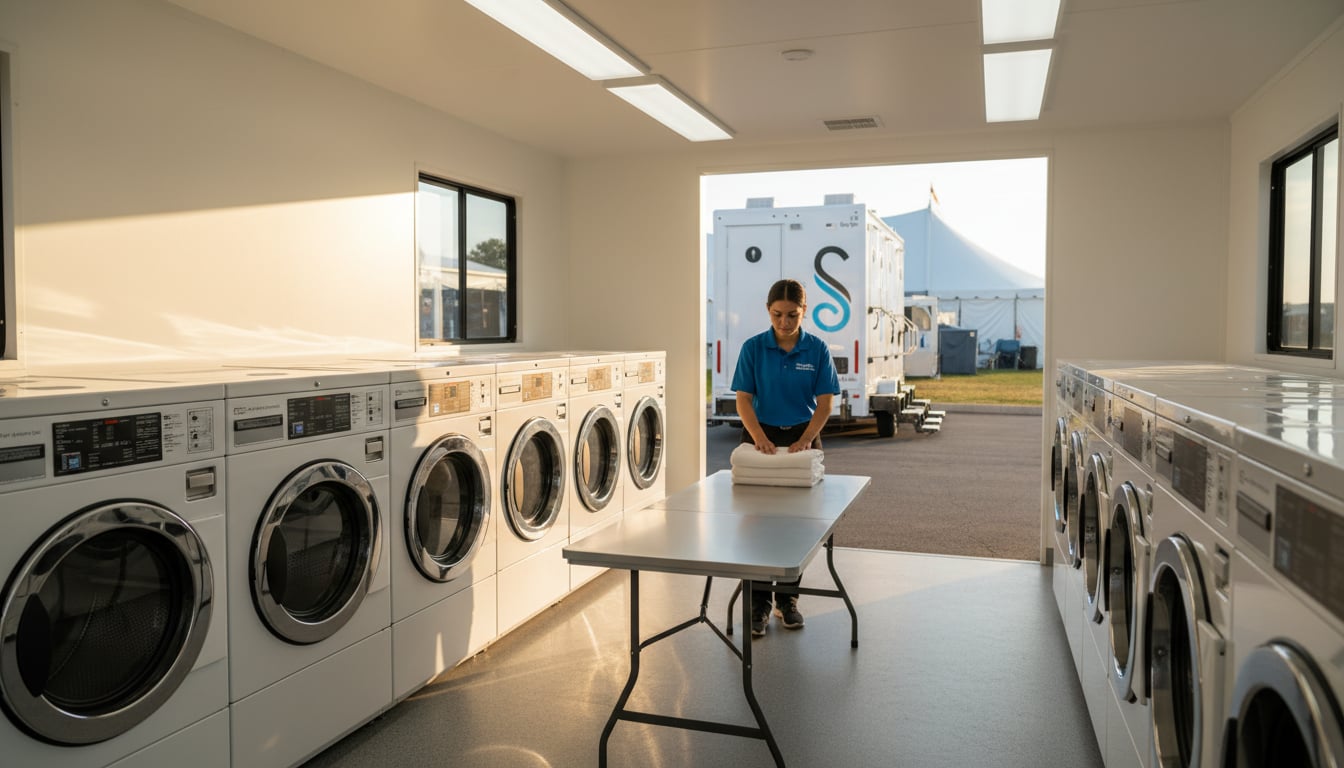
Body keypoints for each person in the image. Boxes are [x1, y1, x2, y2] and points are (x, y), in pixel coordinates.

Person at [730, 278, 840, 637]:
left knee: (799, 524)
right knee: (757, 524)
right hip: (759, 436)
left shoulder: (817, 350)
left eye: (792, 315)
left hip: (802, 438)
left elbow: (825, 403)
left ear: (804, 311)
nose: (785, 323)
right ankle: (758, 605)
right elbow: (744, 399)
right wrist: (759, 437)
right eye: (778, 315)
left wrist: (808, 437)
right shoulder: (753, 348)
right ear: (768, 311)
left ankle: (787, 601)